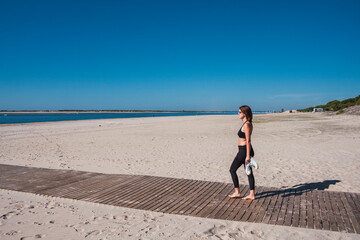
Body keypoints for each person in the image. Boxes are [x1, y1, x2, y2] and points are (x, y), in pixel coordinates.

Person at [228, 105, 256, 200]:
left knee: (232, 170)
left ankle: (237, 192)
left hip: (245, 151)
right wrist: (238, 150)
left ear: (245, 113)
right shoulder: (246, 123)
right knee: (248, 172)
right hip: (242, 150)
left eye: (240, 112)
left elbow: (248, 141)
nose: (238, 113)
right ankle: (251, 194)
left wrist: (247, 155)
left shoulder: (247, 125)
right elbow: (242, 139)